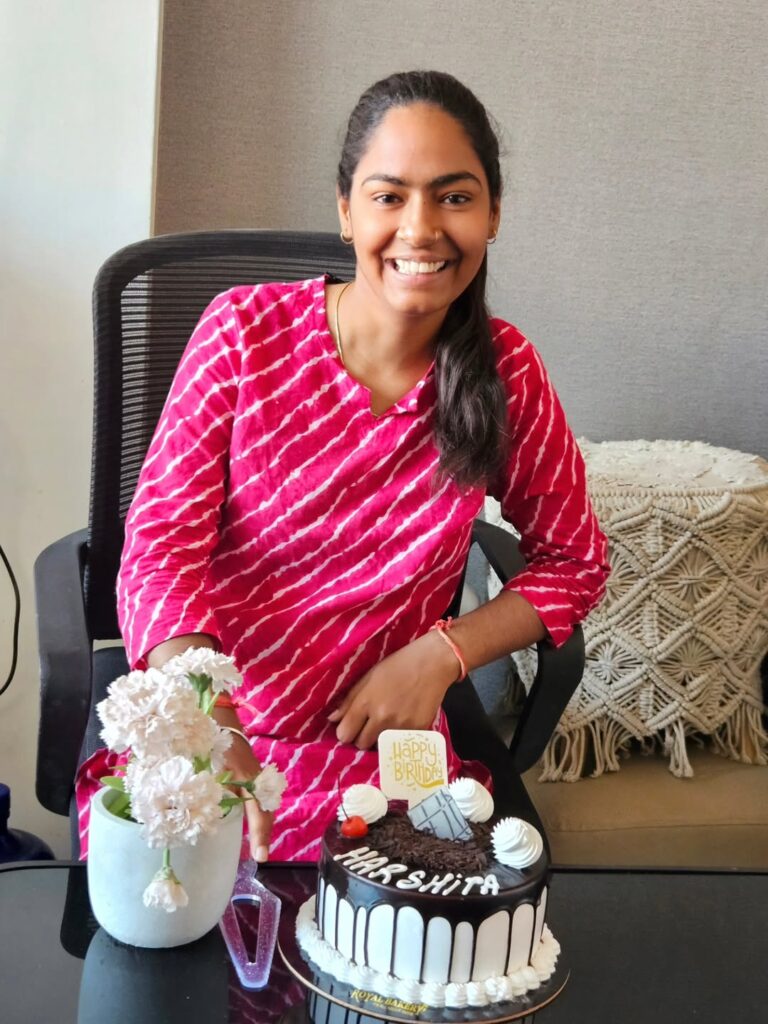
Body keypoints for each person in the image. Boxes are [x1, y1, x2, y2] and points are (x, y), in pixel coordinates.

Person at [75, 70, 609, 863]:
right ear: (346, 210)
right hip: (220, 734)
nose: (420, 228)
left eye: (454, 197)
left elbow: (576, 561)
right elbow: (158, 556)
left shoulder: (506, 374)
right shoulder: (242, 335)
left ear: (493, 214)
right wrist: (210, 723)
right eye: (389, 196)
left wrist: (444, 655)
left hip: (390, 749)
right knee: (187, 915)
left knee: (411, 929)